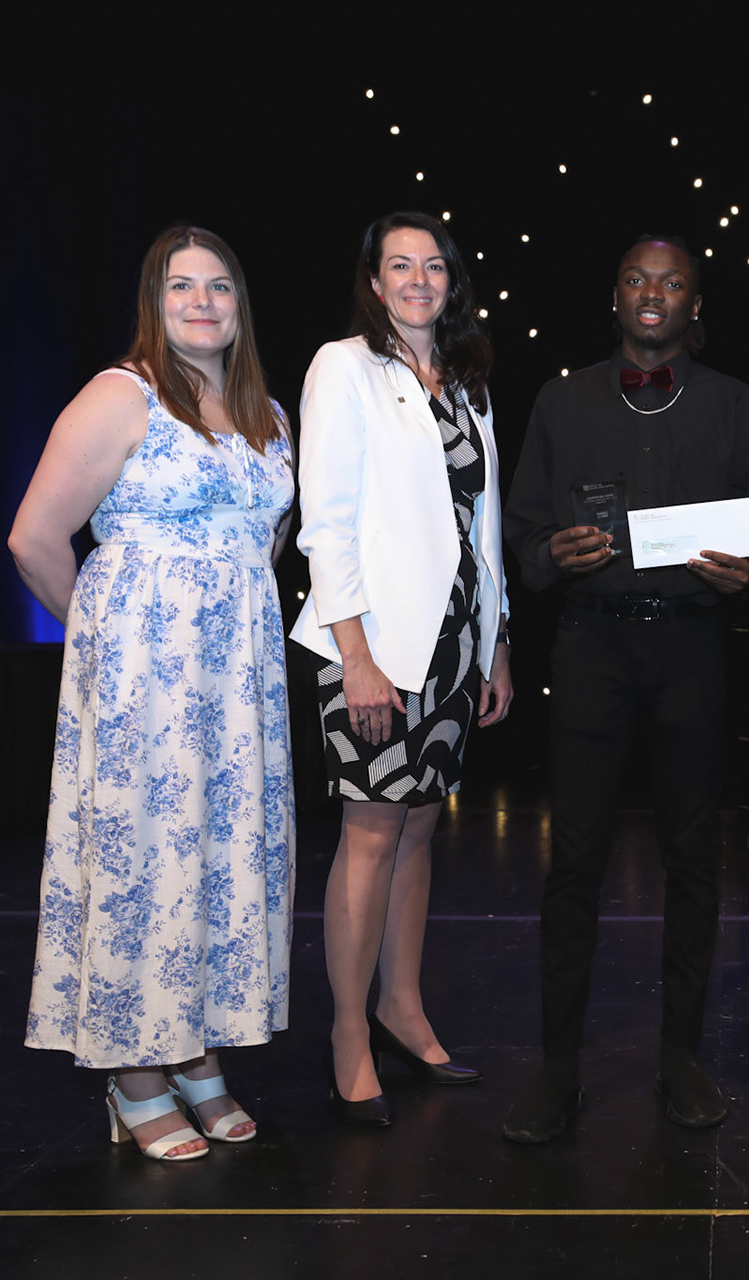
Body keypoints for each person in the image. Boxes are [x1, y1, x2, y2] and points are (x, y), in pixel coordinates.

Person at [14, 225, 295, 1161]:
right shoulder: (120, 395)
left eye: (219, 285)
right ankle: (134, 1073)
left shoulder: (265, 412)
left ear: (240, 304)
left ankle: (198, 1053)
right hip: (145, 680)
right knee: (143, 861)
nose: (202, 301)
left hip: (237, 685)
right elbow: (33, 539)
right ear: (153, 300)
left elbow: (264, 546)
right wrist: (106, 641)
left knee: (219, 860)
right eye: (181, 285)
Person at [501, 235, 749, 1143]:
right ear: (614, 297)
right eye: (636, 278)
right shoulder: (561, 400)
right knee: (574, 862)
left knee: (694, 861)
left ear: (695, 305)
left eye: (673, 281)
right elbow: (524, 534)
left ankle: (681, 1060)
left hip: (693, 650)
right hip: (591, 650)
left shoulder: (736, 405)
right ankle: (558, 1071)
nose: (653, 292)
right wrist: (551, 553)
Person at [288, 211, 512, 1127]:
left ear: (452, 281)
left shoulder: (469, 380)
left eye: (434, 266)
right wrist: (357, 657)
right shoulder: (343, 367)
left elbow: (483, 524)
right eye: (400, 266)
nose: (418, 280)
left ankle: (402, 1009)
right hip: (373, 643)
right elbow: (325, 522)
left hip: (453, 639)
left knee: (419, 830)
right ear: (375, 282)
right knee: (372, 834)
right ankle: (348, 1034)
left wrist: (497, 640)